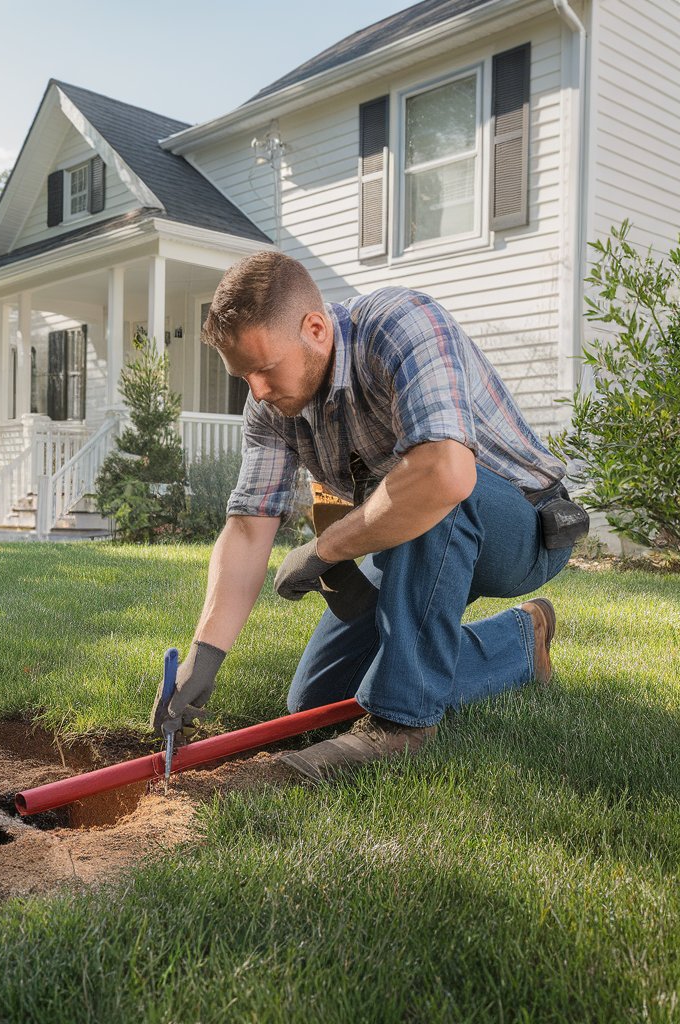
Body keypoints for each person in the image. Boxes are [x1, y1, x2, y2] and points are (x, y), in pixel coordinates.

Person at [150, 251, 583, 781]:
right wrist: (205, 654)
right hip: (414, 538)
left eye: (264, 369)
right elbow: (246, 527)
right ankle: (518, 643)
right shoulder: (271, 407)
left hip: (523, 527)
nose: (256, 391)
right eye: (244, 376)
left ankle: (401, 724)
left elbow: (444, 475)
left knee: (435, 478)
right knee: (316, 703)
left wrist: (325, 549)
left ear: (314, 328)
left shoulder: (402, 326)